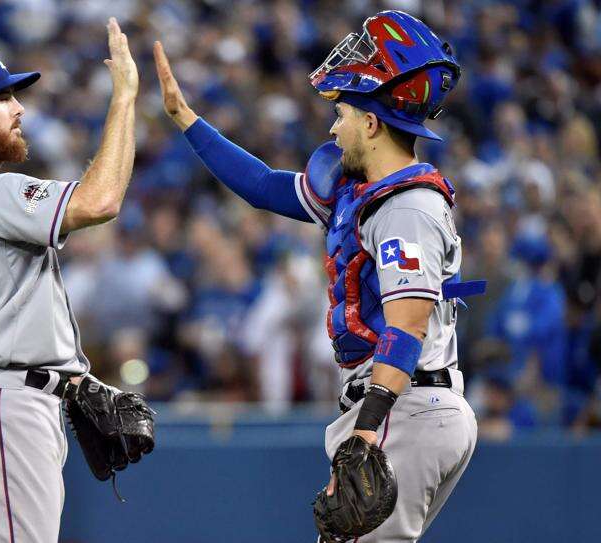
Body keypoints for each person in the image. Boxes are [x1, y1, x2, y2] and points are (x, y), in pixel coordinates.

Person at [155, 10, 481, 542]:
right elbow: (263, 186)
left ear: (372, 124)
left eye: (345, 114)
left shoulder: (406, 207)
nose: (334, 126)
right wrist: (186, 119)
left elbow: (408, 325)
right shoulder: (362, 190)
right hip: (405, 404)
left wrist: (370, 427)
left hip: (404, 404)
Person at [0, 18, 147, 542]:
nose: (18, 108)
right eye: (0, 98)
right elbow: (101, 200)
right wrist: (125, 99)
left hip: (4, 401)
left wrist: (72, 379)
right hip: (6, 403)